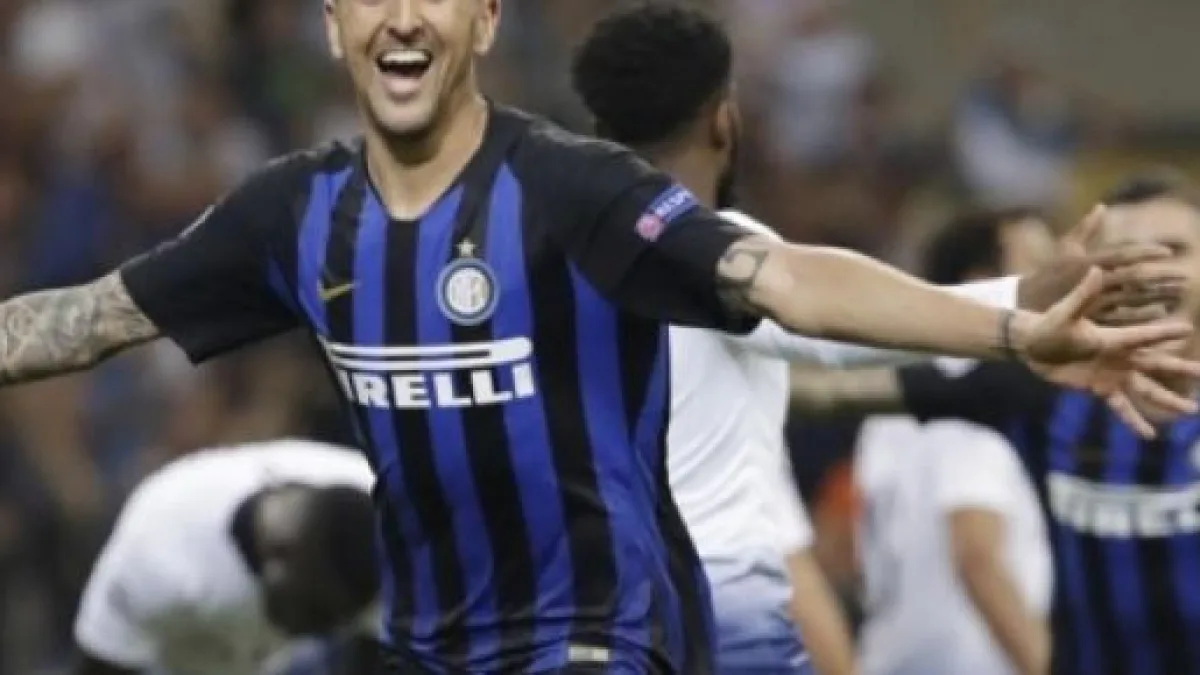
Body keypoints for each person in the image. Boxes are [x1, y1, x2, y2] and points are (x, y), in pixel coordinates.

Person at [0, 0, 1196, 671]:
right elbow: (89, 319)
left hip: (602, 629)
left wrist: (1006, 328)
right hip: (435, 640)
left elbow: (781, 276)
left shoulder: (572, 189)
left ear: (483, 20)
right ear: (332, 27)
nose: (403, 17)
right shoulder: (291, 214)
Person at [791, 171, 1200, 675]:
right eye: (1121, 258)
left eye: (1174, 250)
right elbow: (819, 391)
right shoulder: (1038, 390)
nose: (1148, 275)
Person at [851, 211, 1054, 675]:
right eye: (1039, 265)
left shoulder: (894, 406)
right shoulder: (978, 395)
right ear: (986, 285)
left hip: (892, 655)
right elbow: (977, 556)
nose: (1061, 281)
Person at [73, 440, 377, 675]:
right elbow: (105, 663)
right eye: (317, 611)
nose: (328, 628)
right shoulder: (160, 559)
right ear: (280, 557)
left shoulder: (389, 507)